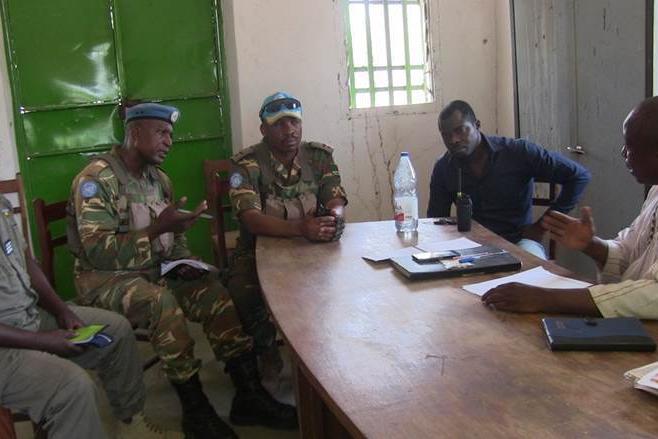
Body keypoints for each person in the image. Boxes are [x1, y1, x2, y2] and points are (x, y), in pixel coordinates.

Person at [67, 103, 297, 439]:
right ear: (134, 133)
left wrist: (186, 262)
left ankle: (249, 395)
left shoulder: (159, 180)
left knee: (215, 291)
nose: (169, 141)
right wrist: (157, 229)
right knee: (161, 303)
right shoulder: (96, 179)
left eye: (170, 134)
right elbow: (98, 252)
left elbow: (174, 244)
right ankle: (196, 411)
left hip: (155, 270)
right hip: (104, 279)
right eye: (161, 133)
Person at [0, 193, 182, 439]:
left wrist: (62, 311)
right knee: (72, 388)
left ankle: (131, 424)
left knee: (116, 331)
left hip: (29, 317)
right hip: (5, 346)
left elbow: (28, 264)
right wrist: (42, 341)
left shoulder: (2, 204)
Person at [482, 96, 658, 318]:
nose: (623, 152)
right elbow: (629, 257)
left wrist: (545, 298)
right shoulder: (655, 192)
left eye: (630, 145)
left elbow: (653, 294)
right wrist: (591, 245)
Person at [228, 92, 347, 372]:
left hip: (311, 246)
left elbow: (335, 197)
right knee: (242, 292)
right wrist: (299, 228)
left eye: (294, 122)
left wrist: (334, 218)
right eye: (279, 124)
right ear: (263, 129)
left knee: (346, 281)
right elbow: (251, 219)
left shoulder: (318, 157)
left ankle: (325, 347)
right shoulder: (246, 164)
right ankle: (267, 350)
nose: (289, 130)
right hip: (258, 251)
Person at [428, 100, 591, 259]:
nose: (453, 140)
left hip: (520, 242)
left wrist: (541, 227)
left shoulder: (518, 152)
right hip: (472, 247)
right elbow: (436, 221)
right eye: (446, 135)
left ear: (477, 125)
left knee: (531, 269)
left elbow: (578, 176)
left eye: (460, 130)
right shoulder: (443, 168)